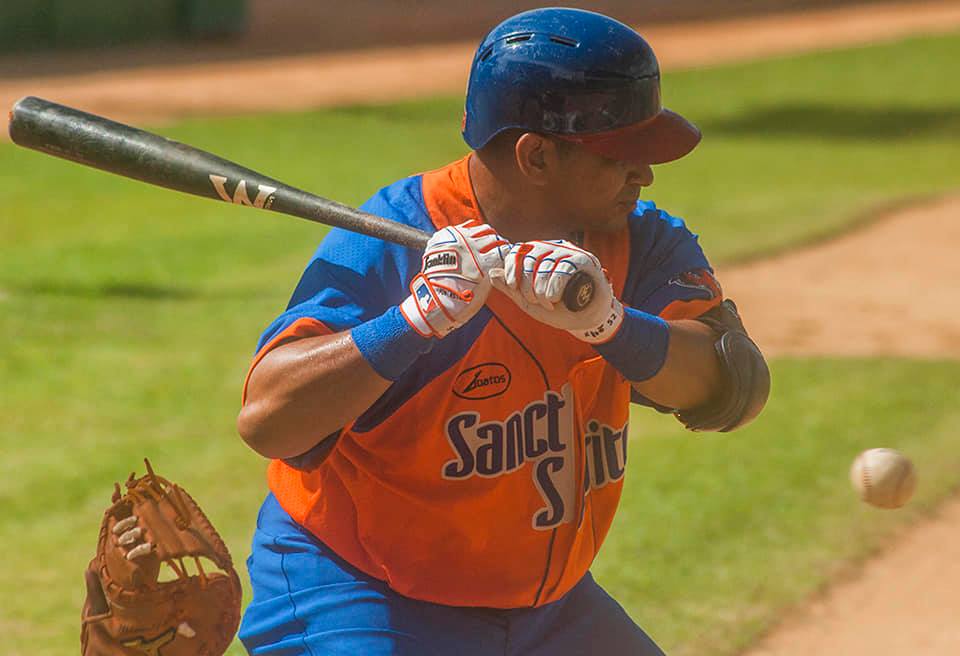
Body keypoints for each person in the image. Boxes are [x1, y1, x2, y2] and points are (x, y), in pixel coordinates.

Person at [235, 7, 769, 655]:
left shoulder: (638, 240)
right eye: (623, 154)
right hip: (362, 591)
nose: (645, 173)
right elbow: (269, 419)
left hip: (551, 610)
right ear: (536, 154)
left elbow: (732, 386)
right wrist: (412, 322)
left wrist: (608, 323)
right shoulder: (393, 238)